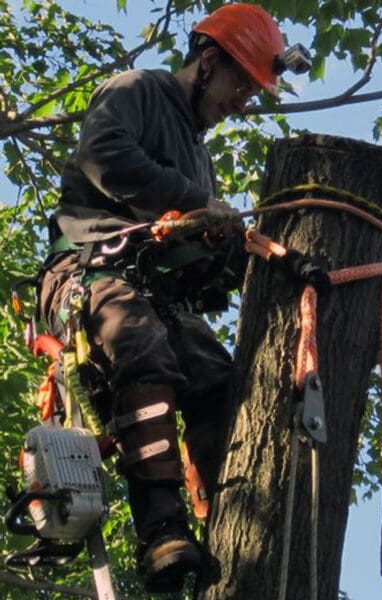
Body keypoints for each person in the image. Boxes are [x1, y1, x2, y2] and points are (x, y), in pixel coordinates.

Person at [37, 3, 308, 594]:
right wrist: (194, 203)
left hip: (158, 293)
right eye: (242, 83)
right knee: (141, 345)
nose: (243, 101)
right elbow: (104, 156)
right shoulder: (137, 90)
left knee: (219, 380)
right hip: (91, 271)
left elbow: (198, 257)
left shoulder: (199, 155)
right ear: (208, 60)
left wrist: (249, 253)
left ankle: (228, 522)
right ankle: (161, 529)